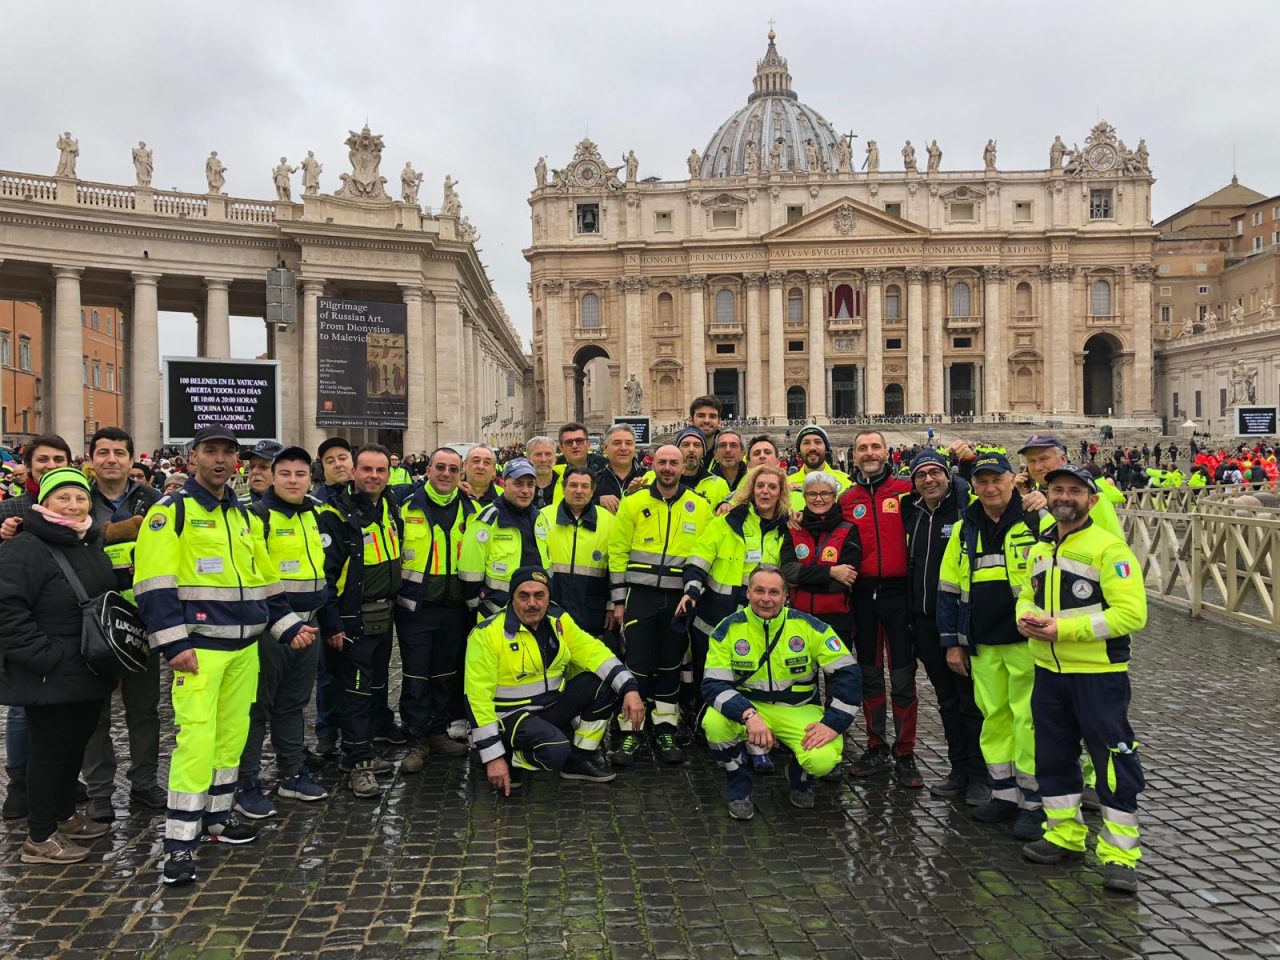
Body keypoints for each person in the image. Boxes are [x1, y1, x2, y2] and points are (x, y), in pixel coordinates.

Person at [133, 425, 315, 885]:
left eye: (227, 453)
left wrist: (288, 626)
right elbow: (153, 583)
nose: (220, 460)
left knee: (231, 738)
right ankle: (178, 843)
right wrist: (173, 644)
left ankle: (216, 818)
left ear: (238, 461)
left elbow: (266, 581)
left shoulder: (245, 516)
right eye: (210, 451)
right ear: (193, 456)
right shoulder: (171, 511)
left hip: (246, 648)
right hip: (199, 650)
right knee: (195, 742)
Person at [1017, 465, 1147, 894]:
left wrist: (1063, 630)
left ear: (1091, 500)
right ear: (1047, 496)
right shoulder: (1040, 549)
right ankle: (1064, 835)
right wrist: (1025, 619)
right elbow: (1026, 596)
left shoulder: (1111, 549)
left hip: (1097, 674)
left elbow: (1132, 615)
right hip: (1049, 671)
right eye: (1057, 490)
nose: (1064, 497)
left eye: (1074, 490)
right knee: (1053, 757)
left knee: (1112, 761)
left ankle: (1120, 855)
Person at [0, 467, 116, 864]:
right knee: (49, 754)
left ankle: (65, 814)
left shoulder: (87, 542)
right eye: (62, 497)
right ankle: (40, 837)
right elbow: (8, 610)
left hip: (86, 669)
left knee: (73, 749)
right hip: (49, 672)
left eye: (80, 497)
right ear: (44, 502)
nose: (72, 505)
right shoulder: (25, 547)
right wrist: (44, 657)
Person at [936, 452, 1044, 841]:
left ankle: (1036, 802)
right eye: (981, 481)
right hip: (981, 640)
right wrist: (952, 643)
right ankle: (1004, 793)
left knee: (1028, 720)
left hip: (1027, 640)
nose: (988, 487)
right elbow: (947, 589)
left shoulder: (1037, 520)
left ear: (1013, 479)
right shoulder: (964, 528)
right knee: (994, 717)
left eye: (995, 479)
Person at [701, 566, 862, 819]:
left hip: (798, 709)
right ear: (748, 593)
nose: (766, 598)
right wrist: (748, 715)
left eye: (774, 592)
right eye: (760, 591)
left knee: (822, 760)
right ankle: (738, 786)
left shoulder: (809, 626)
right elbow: (713, 685)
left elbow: (848, 673)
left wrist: (833, 723)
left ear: (785, 596)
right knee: (714, 723)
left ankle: (799, 776)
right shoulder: (728, 629)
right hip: (750, 707)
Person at [466, 567, 646, 791]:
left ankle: (580, 759)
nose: (532, 603)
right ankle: (508, 756)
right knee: (556, 751)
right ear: (512, 598)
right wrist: (493, 756)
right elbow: (476, 699)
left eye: (539, 595)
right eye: (524, 595)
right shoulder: (487, 634)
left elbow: (593, 652)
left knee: (604, 683)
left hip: (549, 707)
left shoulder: (558, 620)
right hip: (509, 717)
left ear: (548, 597)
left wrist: (630, 689)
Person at [232, 447, 331, 819]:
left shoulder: (315, 515)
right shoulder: (256, 517)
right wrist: (283, 625)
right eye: (286, 473)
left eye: (300, 474)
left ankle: (292, 772)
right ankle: (246, 783)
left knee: (294, 704)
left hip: (309, 626)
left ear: (310, 479)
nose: (293, 480)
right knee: (257, 708)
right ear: (273, 476)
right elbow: (252, 578)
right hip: (269, 632)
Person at [608, 443, 713, 765]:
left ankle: (665, 726)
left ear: (684, 468)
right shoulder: (634, 502)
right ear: (653, 465)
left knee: (670, 664)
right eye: (663, 462)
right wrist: (617, 602)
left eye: (674, 463)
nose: (668, 468)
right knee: (635, 663)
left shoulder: (700, 506)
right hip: (640, 595)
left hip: (679, 598)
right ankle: (629, 731)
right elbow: (617, 552)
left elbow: (705, 553)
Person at [80, 427, 164, 823]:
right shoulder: (77, 498)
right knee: (95, 713)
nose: (111, 459)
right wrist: (109, 532)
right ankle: (99, 792)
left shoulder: (153, 498)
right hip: (89, 618)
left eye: (119, 452)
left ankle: (144, 782)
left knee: (144, 709)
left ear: (132, 460)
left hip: (141, 618)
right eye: (103, 452)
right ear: (91, 458)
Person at [679, 463, 789, 763]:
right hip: (718, 613)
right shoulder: (727, 521)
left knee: (757, 675)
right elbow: (699, 559)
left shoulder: (788, 528)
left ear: (781, 493)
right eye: (760, 486)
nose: (765, 491)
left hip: (763, 615)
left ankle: (757, 739)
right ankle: (718, 731)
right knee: (715, 673)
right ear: (751, 490)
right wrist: (691, 590)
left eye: (772, 487)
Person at [316, 444, 405, 798]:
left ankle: (360, 747)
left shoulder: (391, 505)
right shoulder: (336, 514)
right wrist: (333, 623)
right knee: (354, 689)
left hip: (384, 614)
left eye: (380, 470)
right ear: (354, 472)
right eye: (366, 469)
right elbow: (326, 576)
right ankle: (358, 762)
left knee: (375, 684)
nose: (374, 476)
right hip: (353, 617)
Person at [900, 450, 987, 805]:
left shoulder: (966, 508)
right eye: (922, 475)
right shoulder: (912, 511)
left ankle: (983, 774)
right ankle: (959, 768)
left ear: (948, 477)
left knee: (971, 701)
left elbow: (983, 486)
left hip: (960, 621)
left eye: (935, 472)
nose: (929, 480)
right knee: (947, 701)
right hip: (923, 621)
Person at [838, 430, 921, 788]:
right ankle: (876, 745)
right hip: (863, 595)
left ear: (887, 453)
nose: (869, 453)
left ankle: (905, 752)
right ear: (853, 455)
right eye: (862, 448)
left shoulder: (908, 491)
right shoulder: (846, 499)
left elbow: (954, 499)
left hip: (901, 595)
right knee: (870, 675)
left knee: (903, 677)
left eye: (875, 447)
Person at [0, 433, 73, 822]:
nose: (50, 465)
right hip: (25, 628)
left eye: (58, 459)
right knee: (22, 710)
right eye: (43, 459)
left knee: (64, 715)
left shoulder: (74, 500)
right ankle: (19, 782)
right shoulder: (12, 507)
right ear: (28, 464)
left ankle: (60, 782)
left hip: (63, 628)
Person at [395, 447, 477, 773]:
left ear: (461, 475)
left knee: (445, 675)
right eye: (440, 467)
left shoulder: (473, 510)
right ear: (427, 470)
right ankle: (417, 739)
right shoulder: (403, 505)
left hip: (455, 607)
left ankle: (438, 732)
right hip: (416, 606)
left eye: (453, 469)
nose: (446, 474)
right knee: (416, 675)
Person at [460, 458, 550, 618]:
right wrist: (476, 607)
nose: (525, 490)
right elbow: (470, 571)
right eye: (518, 484)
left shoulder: (539, 518)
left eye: (530, 485)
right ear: (504, 484)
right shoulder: (487, 519)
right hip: (496, 613)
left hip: (535, 612)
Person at [310, 437, 354, 759]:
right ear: (321, 467)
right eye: (330, 460)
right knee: (328, 673)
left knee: (365, 671)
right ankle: (326, 732)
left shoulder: (367, 497)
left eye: (343, 458)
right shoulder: (314, 504)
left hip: (362, 601)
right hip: (329, 602)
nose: (338, 464)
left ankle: (367, 724)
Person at [536, 466, 614, 636]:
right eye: (573, 485)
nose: (579, 491)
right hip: (550, 606)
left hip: (592, 610)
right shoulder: (543, 517)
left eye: (585, 486)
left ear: (593, 491)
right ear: (563, 489)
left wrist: (612, 605)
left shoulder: (608, 521)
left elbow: (615, 566)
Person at [788, 426, 852, 509]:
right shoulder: (785, 485)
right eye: (806, 443)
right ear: (799, 450)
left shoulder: (847, 482)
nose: (812, 448)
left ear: (826, 448)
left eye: (818, 442)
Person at [593, 424, 642, 512]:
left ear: (634, 447)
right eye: (617, 443)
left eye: (628, 443)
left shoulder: (649, 478)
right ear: (605, 447)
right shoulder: (593, 481)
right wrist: (597, 501)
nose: (623, 448)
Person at [526, 436, 564, 510]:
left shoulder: (567, 484)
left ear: (555, 459)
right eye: (538, 454)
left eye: (548, 454)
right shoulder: (519, 487)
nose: (543, 460)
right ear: (528, 459)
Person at [242, 440, 282, 506]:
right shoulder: (237, 506)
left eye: (263, 466)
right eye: (252, 466)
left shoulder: (299, 505)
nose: (254, 471)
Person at [709, 429, 747, 496]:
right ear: (715, 454)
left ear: (743, 453)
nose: (728, 450)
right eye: (722, 445)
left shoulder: (753, 481)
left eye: (733, 445)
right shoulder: (705, 482)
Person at [688, 396, 722, 470]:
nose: (707, 421)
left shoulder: (729, 454)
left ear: (719, 422)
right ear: (691, 420)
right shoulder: (676, 456)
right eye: (701, 416)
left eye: (712, 416)